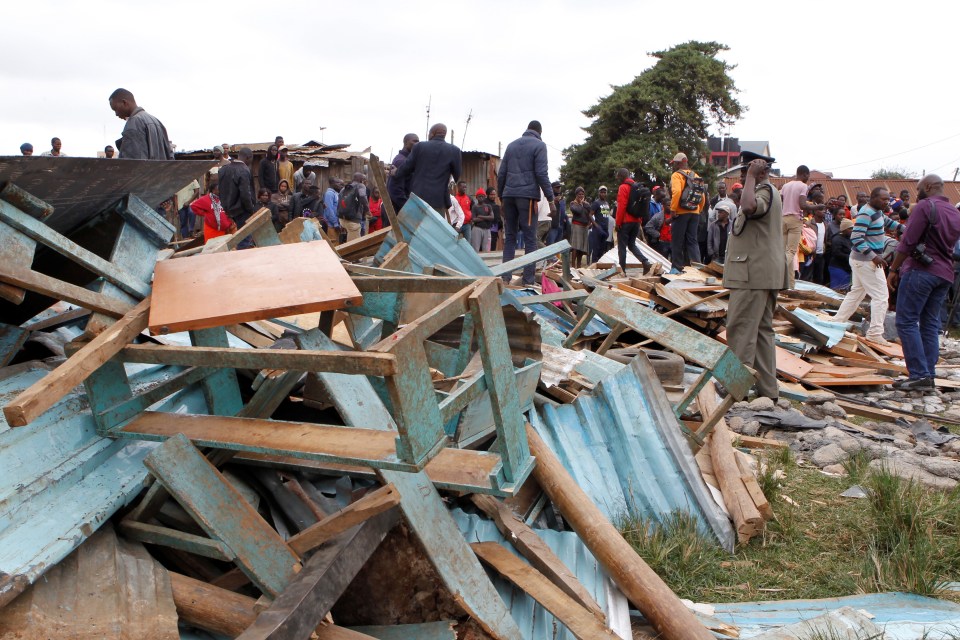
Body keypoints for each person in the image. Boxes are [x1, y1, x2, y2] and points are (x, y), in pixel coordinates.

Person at [723, 152, 787, 400]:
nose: (741, 178)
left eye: (745, 172)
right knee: (761, 332)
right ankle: (768, 391)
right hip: (760, 273)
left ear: (760, 172)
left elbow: (748, 207)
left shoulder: (764, 191)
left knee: (740, 329)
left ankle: (734, 388)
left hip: (754, 274)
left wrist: (750, 177)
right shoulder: (766, 190)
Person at [888, 175, 960, 389]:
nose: (916, 192)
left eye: (918, 188)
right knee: (929, 324)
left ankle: (919, 374)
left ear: (928, 187)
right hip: (945, 272)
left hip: (921, 270)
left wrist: (893, 269)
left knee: (906, 321)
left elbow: (908, 242)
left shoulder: (924, 206)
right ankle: (927, 374)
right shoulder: (954, 212)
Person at [832, 187, 904, 344]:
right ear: (873, 198)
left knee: (856, 293)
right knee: (881, 296)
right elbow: (856, 238)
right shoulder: (866, 213)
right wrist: (873, 257)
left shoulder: (876, 211)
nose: (886, 202)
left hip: (861, 260)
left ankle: (836, 322)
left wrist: (905, 229)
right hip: (866, 261)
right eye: (883, 199)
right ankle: (875, 332)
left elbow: (887, 221)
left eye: (887, 200)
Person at [495, 120, 554, 285]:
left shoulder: (511, 145)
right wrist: (551, 199)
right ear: (540, 133)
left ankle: (505, 278)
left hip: (508, 195)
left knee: (510, 237)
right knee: (530, 239)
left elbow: (502, 174)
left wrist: (501, 198)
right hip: (526, 198)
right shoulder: (539, 145)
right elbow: (541, 174)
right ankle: (528, 280)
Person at [395, 123, 461, 214]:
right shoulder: (455, 151)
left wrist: (396, 172)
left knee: (415, 226)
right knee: (434, 227)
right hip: (439, 200)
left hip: (418, 197)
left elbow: (407, 167)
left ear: (432, 133)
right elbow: (457, 175)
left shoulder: (419, 146)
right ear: (444, 134)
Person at [779, 165, 818, 288]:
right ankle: (776, 271)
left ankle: (790, 285)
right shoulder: (803, 186)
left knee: (786, 252)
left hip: (783, 219)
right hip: (795, 220)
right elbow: (802, 205)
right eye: (808, 176)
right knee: (791, 251)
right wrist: (816, 207)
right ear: (805, 174)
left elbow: (780, 201)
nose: (808, 179)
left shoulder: (786, 185)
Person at [107, 88, 174, 160]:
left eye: (115, 109)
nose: (116, 114)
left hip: (145, 171)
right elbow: (170, 156)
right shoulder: (157, 121)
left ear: (124, 103)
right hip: (160, 171)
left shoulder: (134, 122)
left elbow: (133, 162)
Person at [669, 152, 705, 272]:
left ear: (679, 163)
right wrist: (698, 209)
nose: (673, 166)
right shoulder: (696, 175)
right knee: (692, 241)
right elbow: (702, 196)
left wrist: (673, 210)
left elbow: (677, 192)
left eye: (674, 163)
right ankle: (697, 267)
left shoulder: (676, 175)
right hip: (694, 212)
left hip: (681, 212)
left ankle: (676, 267)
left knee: (677, 241)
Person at [614, 168, 653, 274]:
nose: (617, 179)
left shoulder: (623, 187)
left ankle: (622, 270)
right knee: (631, 244)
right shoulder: (636, 187)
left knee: (622, 246)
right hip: (636, 221)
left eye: (618, 176)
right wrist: (639, 220)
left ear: (622, 176)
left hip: (625, 221)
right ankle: (645, 262)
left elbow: (621, 206)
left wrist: (618, 223)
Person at [217, 147, 257, 236]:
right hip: (242, 210)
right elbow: (245, 194)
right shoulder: (244, 169)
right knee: (244, 238)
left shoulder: (223, 169)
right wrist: (251, 209)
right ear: (248, 157)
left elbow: (220, 191)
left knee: (234, 236)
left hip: (229, 210)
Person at [387, 133, 419, 212]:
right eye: (414, 141)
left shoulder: (408, 161)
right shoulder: (401, 161)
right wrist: (408, 208)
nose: (417, 144)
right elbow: (395, 190)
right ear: (406, 143)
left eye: (418, 142)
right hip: (397, 210)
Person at [338, 172, 368, 242]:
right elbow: (363, 197)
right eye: (364, 179)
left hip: (342, 219)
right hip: (353, 220)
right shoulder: (361, 186)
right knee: (353, 245)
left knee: (345, 243)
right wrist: (367, 210)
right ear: (361, 180)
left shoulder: (344, 188)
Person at [829, 218, 855, 290]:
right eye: (850, 228)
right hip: (838, 267)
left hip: (847, 268)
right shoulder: (837, 239)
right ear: (844, 229)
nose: (852, 230)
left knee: (845, 289)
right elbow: (837, 253)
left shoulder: (849, 238)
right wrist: (849, 257)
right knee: (837, 289)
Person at [568, 186, 591, 267]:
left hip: (585, 227)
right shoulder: (573, 204)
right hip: (577, 226)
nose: (581, 196)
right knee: (575, 246)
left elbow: (590, 211)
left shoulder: (586, 204)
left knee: (581, 248)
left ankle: (579, 265)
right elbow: (578, 211)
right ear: (576, 195)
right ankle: (573, 265)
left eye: (582, 194)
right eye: (579, 194)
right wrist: (581, 204)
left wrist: (590, 222)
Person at [589, 198, 610, 265]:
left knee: (602, 249)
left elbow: (606, 216)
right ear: (599, 193)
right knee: (596, 248)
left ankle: (600, 265)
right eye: (601, 192)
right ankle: (593, 265)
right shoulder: (596, 203)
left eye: (604, 192)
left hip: (605, 229)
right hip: (598, 228)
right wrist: (595, 225)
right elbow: (590, 214)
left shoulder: (606, 203)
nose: (603, 194)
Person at [323, 177, 342, 245]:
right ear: (331, 184)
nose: (339, 184)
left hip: (336, 224)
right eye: (337, 183)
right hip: (331, 225)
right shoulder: (329, 194)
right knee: (333, 244)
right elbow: (329, 210)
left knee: (337, 244)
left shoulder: (336, 194)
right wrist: (335, 223)